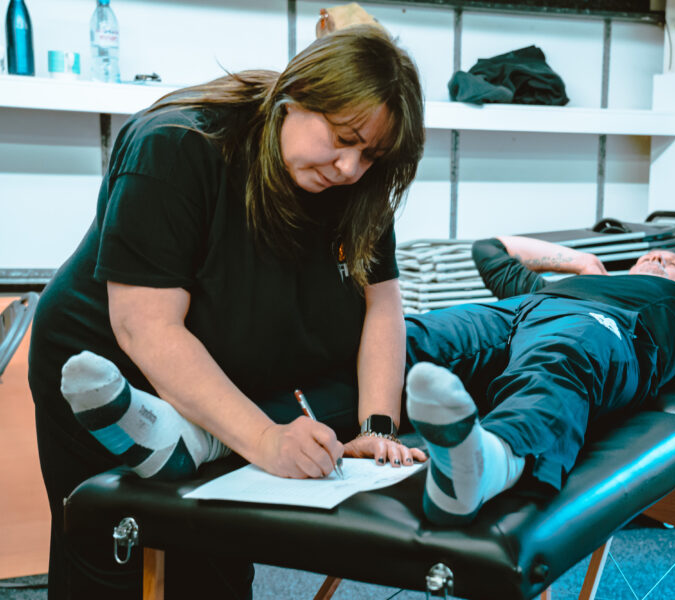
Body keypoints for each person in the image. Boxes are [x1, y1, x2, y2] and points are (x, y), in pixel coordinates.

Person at [28, 25, 425, 599]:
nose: (349, 168)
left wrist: (375, 429)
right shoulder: (178, 145)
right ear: (296, 94)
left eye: (371, 154)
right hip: (104, 370)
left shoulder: (360, 186)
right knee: (116, 555)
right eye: (342, 138)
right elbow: (146, 325)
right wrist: (266, 440)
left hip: (217, 363)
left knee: (216, 561)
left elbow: (382, 305)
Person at [403, 231, 675, 524]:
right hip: (523, 310)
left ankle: (487, 465)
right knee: (414, 334)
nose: (659, 257)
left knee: (562, 356)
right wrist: (582, 263)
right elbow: (490, 249)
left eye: (674, 261)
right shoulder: (570, 282)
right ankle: (349, 414)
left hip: (608, 331)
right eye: (648, 256)